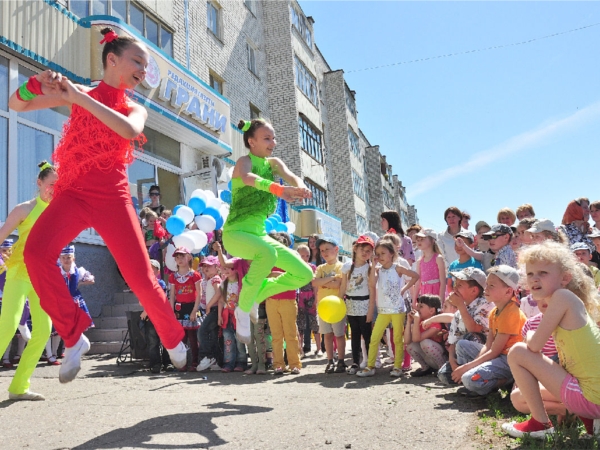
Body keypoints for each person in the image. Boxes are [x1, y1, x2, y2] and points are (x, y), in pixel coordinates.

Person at [10, 28, 187, 383]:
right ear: (112, 59)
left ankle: (172, 337)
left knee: (140, 277)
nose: (143, 70)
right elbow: (17, 105)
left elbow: (126, 130)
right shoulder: (82, 92)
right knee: (34, 252)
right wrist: (37, 83)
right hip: (72, 193)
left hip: (113, 197)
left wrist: (78, 95)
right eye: (137, 61)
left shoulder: (133, 105)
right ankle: (74, 337)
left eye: (146, 65)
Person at [502, 241, 600, 439]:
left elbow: (534, 345)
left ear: (565, 278)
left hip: (591, 397)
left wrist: (529, 335)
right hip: (592, 394)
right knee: (518, 397)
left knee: (518, 352)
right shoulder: (570, 302)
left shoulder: (562, 297)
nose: (534, 279)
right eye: (530, 274)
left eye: (543, 273)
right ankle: (590, 422)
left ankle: (540, 424)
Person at [222, 119, 313, 331]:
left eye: (273, 138)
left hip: (259, 236)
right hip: (235, 234)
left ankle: (255, 297)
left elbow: (291, 176)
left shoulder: (274, 164)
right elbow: (247, 178)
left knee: (304, 273)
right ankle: (243, 308)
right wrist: (280, 190)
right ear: (251, 141)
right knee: (268, 254)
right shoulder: (244, 161)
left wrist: (301, 188)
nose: (273, 142)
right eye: (266, 138)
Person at [0, 162, 57, 400]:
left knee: (44, 330)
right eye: (51, 184)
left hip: (42, 277)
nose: (54, 189)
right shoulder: (24, 209)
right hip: (20, 274)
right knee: (8, 326)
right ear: (39, 183)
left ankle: (19, 387)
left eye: (58, 186)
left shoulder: (59, 212)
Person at [453, 266, 526, 398]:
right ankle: (483, 384)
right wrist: (473, 365)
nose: (486, 289)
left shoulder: (511, 313)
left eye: (491, 285)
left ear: (508, 291)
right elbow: (488, 346)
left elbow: (495, 351)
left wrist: (468, 367)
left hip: (510, 360)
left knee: (469, 378)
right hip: (498, 356)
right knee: (462, 345)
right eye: (486, 284)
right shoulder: (494, 312)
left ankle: (506, 382)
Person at [357, 240, 419, 377]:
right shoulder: (378, 270)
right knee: (374, 338)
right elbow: (372, 284)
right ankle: (370, 366)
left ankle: (398, 366)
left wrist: (404, 289)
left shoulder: (397, 268)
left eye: (383, 253)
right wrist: (373, 265)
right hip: (383, 310)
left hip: (397, 309)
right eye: (378, 254)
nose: (380, 256)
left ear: (392, 254)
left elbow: (415, 276)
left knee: (397, 338)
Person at [427, 267, 495, 386]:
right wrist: (452, 361)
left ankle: (472, 380)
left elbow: (474, 329)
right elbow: (453, 340)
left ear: (474, 291)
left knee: (468, 339)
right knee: (443, 374)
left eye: (459, 285)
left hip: (483, 354)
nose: (454, 288)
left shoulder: (486, 305)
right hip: (464, 355)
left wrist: (460, 306)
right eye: (455, 283)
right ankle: (465, 379)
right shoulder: (459, 311)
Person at [46, 245, 96, 365]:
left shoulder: (77, 271)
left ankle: (66, 351)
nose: (66, 260)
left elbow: (91, 280)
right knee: (56, 329)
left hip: (74, 302)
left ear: (73, 258)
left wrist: (82, 282)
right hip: (59, 302)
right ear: (59, 258)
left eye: (68, 257)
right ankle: (51, 354)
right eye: (63, 257)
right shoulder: (56, 271)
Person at [265, 231, 302, 375]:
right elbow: (263, 274)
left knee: (290, 333)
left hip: (288, 299)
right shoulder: (268, 259)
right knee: (276, 335)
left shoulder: (292, 258)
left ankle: (295, 364)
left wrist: (274, 275)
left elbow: (295, 276)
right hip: (271, 300)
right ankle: (278, 364)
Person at [340, 235, 375, 375]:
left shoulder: (370, 268)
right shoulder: (347, 267)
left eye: (368, 250)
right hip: (350, 303)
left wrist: (371, 309)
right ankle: (355, 362)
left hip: (365, 303)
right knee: (354, 334)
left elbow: (372, 290)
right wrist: (339, 302)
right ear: (355, 248)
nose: (365, 253)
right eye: (362, 249)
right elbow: (343, 287)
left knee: (367, 335)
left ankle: (370, 363)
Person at [312, 237, 346, 374]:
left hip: (337, 307)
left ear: (336, 249)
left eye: (327, 249)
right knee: (327, 334)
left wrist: (323, 282)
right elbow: (314, 283)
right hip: (323, 307)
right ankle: (330, 360)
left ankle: (342, 361)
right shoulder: (320, 267)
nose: (324, 253)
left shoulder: (341, 267)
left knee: (339, 334)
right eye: (321, 251)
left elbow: (339, 284)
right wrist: (332, 278)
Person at [168, 247, 202, 371]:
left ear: (188, 257)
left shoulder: (195, 275)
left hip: (191, 307)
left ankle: (194, 362)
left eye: (182, 256)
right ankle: (182, 363)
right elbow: (172, 295)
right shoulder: (173, 277)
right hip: (179, 309)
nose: (179, 259)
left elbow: (199, 294)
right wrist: (171, 311)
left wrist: (194, 310)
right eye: (177, 257)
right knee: (181, 337)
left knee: (192, 337)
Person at [405, 294, 447, 377]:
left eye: (421, 306)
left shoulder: (436, 325)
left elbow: (417, 339)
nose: (417, 309)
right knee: (410, 346)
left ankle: (442, 368)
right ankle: (425, 368)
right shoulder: (420, 322)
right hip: (430, 359)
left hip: (442, 358)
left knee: (425, 342)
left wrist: (416, 320)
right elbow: (407, 341)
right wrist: (409, 322)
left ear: (431, 311)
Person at [143, 259, 172, 373]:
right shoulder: (144, 284)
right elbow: (143, 299)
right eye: (148, 268)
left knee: (165, 340)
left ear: (158, 271)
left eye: (152, 268)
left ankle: (167, 363)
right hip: (151, 316)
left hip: (161, 315)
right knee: (153, 341)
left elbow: (159, 299)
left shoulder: (160, 283)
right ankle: (155, 364)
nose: (150, 271)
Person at [196, 256, 223, 372]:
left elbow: (219, 293)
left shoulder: (215, 279)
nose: (205, 268)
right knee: (212, 336)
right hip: (211, 310)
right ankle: (215, 360)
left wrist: (209, 305)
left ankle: (206, 356)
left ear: (217, 267)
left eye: (209, 266)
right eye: (204, 266)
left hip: (215, 309)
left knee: (202, 331)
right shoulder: (207, 280)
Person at [219, 265, 247, 373]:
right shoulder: (223, 284)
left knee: (240, 339)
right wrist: (219, 316)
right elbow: (221, 301)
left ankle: (241, 361)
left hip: (239, 315)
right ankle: (228, 362)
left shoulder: (241, 283)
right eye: (223, 268)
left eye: (227, 268)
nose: (224, 271)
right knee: (228, 338)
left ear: (236, 269)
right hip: (227, 315)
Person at [296, 244, 320, 358]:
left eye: (307, 256)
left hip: (310, 296)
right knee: (300, 324)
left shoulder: (312, 267)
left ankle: (319, 348)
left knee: (314, 322)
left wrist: (316, 298)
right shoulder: (294, 268)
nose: (305, 258)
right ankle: (300, 350)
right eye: (302, 256)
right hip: (299, 297)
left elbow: (315, 285)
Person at [414, 229, 446, 303]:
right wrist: (414, 300)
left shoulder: (438, 258)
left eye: (422, 239)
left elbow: (443, 282)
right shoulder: (419, 261)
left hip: (436, 293)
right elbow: (418, 282)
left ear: (432, 240)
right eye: (418, 240)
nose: (419, 241)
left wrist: (440, 301)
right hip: (424, 294)